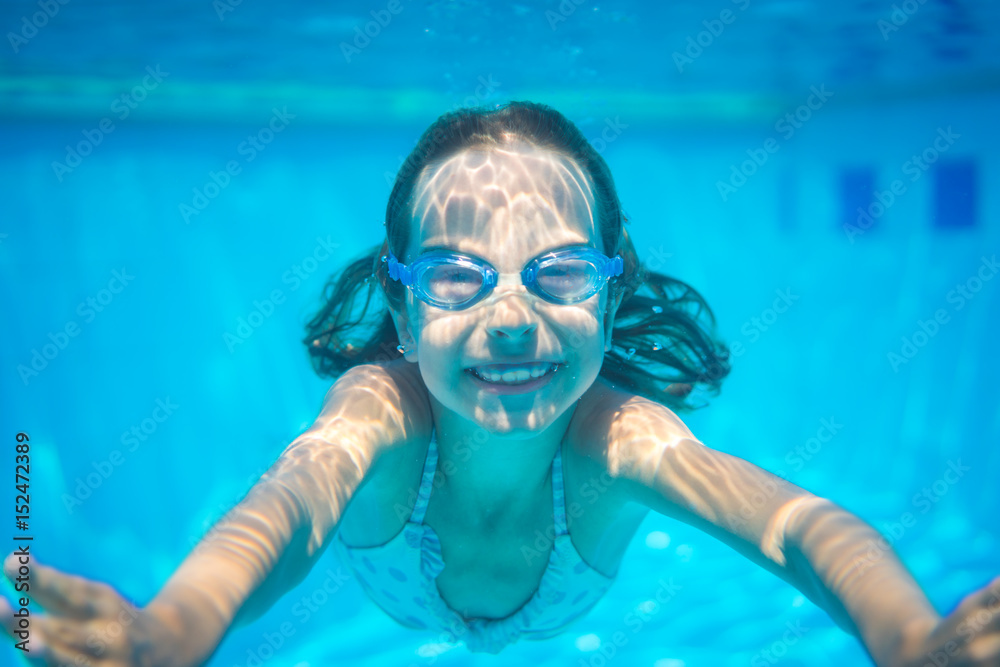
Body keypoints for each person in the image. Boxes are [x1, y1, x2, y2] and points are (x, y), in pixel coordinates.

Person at [3, 101, 998, 666]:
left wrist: (907, 638)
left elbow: (799, 527)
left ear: (610, 300)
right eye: (454, 275)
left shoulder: (619, 442)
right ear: (402, 313)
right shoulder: (378, 413)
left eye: (559, 271)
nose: (512, 317)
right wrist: (175, 628)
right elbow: (289, 512)